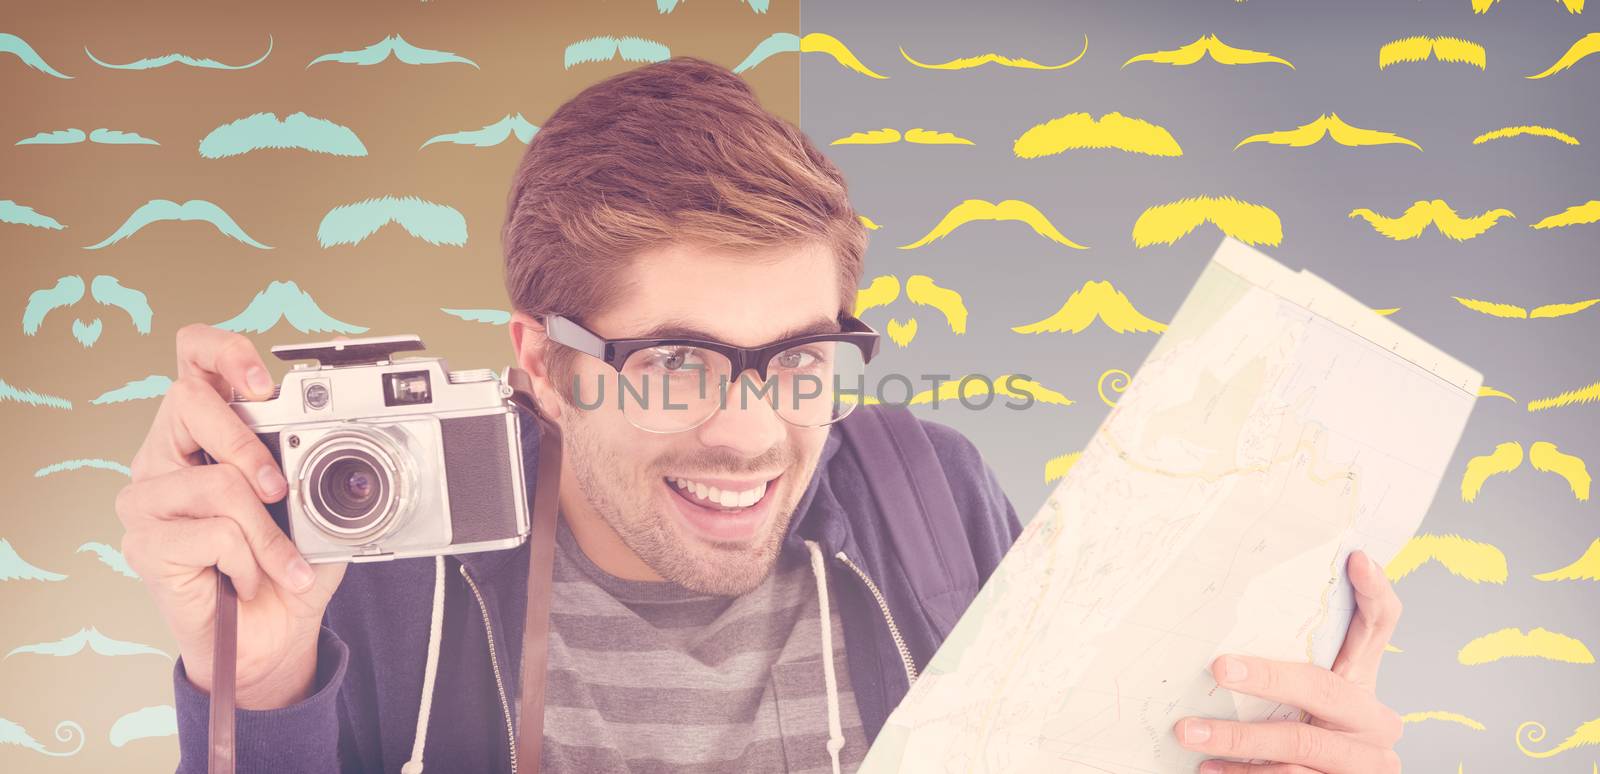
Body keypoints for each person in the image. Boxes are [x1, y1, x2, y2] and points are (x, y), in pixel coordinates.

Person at [115, 57, 1405, 774]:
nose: (752, 433)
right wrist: (260, 674)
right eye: (678, 360)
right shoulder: (379, 570)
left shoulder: (930, 495)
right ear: (544, 363)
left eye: (800, 357)